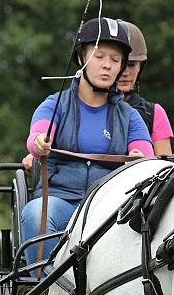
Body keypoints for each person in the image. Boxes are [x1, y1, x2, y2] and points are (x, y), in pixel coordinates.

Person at [21, 16, 153, 268]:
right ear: (81, 58)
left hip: (109, 209)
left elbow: (146, 152)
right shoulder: (55, 104)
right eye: (99, 57)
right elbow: (36, 136)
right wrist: (39, 142)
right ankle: (47, 292)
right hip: (59, 202)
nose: (108, 66)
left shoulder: (129, 115)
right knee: (36, 213)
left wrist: (140, 159)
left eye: (115, 60)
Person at [118, 22, 174, 155]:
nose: (125, 73)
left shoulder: (154, 113)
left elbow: (166, 171)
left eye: (131, 65)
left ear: (140, 67)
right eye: (120, 64)